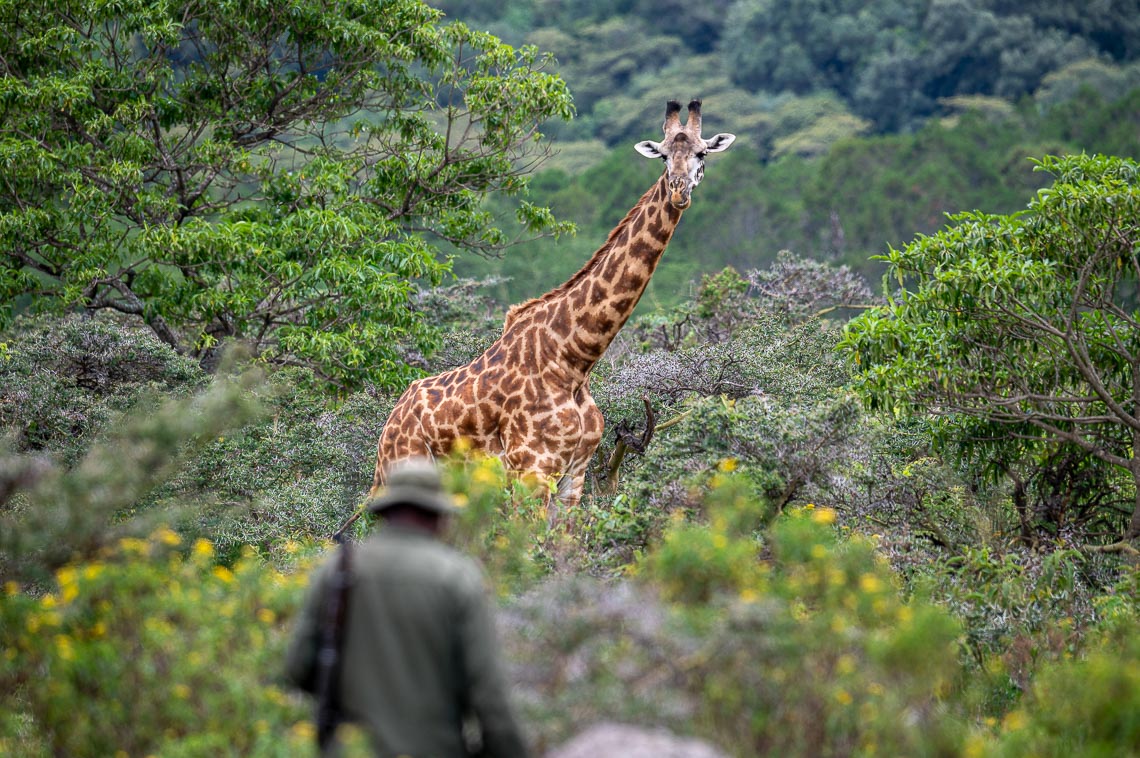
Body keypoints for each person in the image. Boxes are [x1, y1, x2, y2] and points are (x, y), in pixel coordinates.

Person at [286, 458, 530, 757]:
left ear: (384, 513)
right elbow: (489, 695)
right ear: (439, 516)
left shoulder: (338, 569)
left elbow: (298, 669)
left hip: (350, 750)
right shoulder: (457, 577)